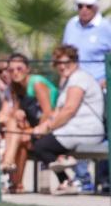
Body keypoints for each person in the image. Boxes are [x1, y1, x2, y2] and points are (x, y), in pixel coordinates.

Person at [32, 45, 105, 195]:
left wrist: (48, 128)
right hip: (72, 130)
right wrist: (41, 127)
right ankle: (64, 169)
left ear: (75, 61)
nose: (62, 66)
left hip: (87, 130)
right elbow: (57, 113)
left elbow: (69, 110)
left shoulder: (79, 77)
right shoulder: (67, 81)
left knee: (42, 146)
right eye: (58, 63)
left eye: (66, 62)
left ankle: (65, 168)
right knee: (36, 141)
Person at [62, 0, 111, 192]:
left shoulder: (105, 27)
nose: (84, 10)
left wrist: (106, 81)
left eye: (88, 6)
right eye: (80, 6)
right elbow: (66, 55)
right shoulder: (71, 26)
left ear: (95, 8)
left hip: (99, 89)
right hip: (76, 89)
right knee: (77, 129)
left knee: (103, 132)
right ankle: (84, 179)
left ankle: (104, 178)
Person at [0, 53, 57, 192]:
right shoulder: (15, 86)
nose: (15, 72)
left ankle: (8, 164)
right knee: (17, 132)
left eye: (19, 68)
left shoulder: (36, 83)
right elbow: (11, 111)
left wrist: (34, 132)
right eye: (11, 70)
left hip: (50, 127)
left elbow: (48, 113)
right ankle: (17, 184)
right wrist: (17, 113)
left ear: (28, 69)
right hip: (30, 128)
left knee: (20, 135)